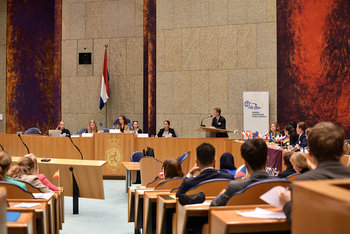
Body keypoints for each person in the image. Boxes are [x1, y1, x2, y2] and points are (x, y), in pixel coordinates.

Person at [278, 122, 350, 224]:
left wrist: (287, 204)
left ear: (310, 152)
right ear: (343, 152)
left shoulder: (302, 183)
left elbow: (301, 221)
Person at [210, 139, 270, 206]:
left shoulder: (235, 187)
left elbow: (213, 205)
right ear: (267, 160)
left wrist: (221, 195)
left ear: (245, 164)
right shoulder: (280, 185)